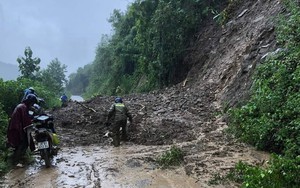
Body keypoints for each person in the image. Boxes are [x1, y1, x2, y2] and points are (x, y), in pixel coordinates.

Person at [7, 94, 37, 166]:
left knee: (20, 144)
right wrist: (31, 126)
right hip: (17, 129)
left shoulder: (22, 106)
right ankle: (16, 162)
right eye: (32, 103)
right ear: (30, 102)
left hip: (15, 128)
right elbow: (26, 120)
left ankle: (19, 160)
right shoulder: (23, 107)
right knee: (22, 144)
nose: (32, 105)